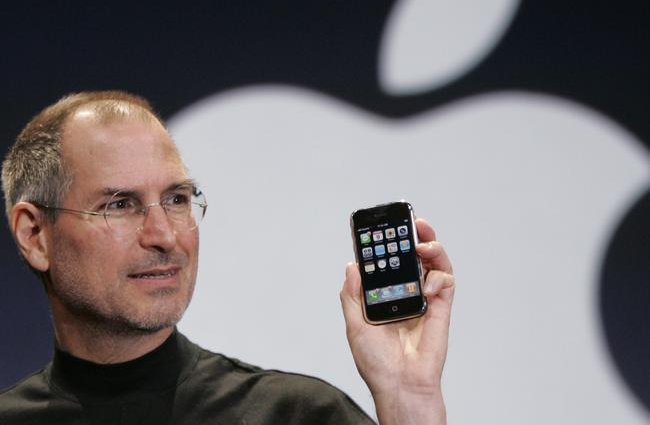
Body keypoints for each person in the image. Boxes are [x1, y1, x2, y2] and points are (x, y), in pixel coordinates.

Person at [0, 91, 455, 424]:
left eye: (176, 199)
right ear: (35, 235)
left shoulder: (297, 417)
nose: (164, 236)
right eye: (119, 205)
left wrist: (407, 400)